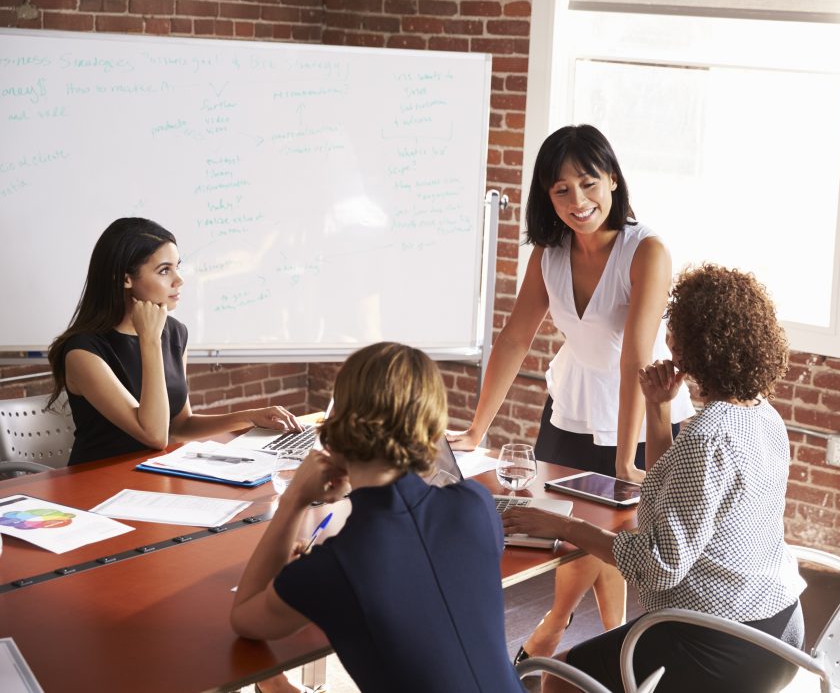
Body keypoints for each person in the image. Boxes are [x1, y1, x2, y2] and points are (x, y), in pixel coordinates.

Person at [448, 125, 694, 661]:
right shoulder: (548, 255)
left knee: (612, 530)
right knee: (573, 529)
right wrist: (475, 431)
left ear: (612, 179)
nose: (578, 201)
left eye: (588, 183)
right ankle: (613, 640)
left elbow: (636, 357)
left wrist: (628, 460)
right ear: (546, 195)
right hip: (575, 405)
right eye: (561, 190)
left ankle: (560, 626)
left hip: (641, 409)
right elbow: (515, 338)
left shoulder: (646, 251)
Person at [503, 264, 806, 693]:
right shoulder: (762, 415)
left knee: (558, 678)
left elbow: (658, 565)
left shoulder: (707, 438)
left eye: (674, 329)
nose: (667, 338)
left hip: (719, 645)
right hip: (782, 630)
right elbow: (672, 493)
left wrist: (563, 527)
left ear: (700, 346)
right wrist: (658, 408)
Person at [230, 342, 525, 693]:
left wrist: (295, 498)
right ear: (433, 433)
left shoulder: (338, 565)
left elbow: (244, 618)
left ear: (336, 431)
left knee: (272, 685)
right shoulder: (476, 504)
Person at [46, 217, 299, 466]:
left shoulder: (175, 333)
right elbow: (155, 435)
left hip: (153, 477)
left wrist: (251, 417)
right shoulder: (83, 352)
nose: (179, 280)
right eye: (164, 270)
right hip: (93, 486)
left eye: (177, 267)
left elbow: (179, 426)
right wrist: (150, 340)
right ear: (126, 279)